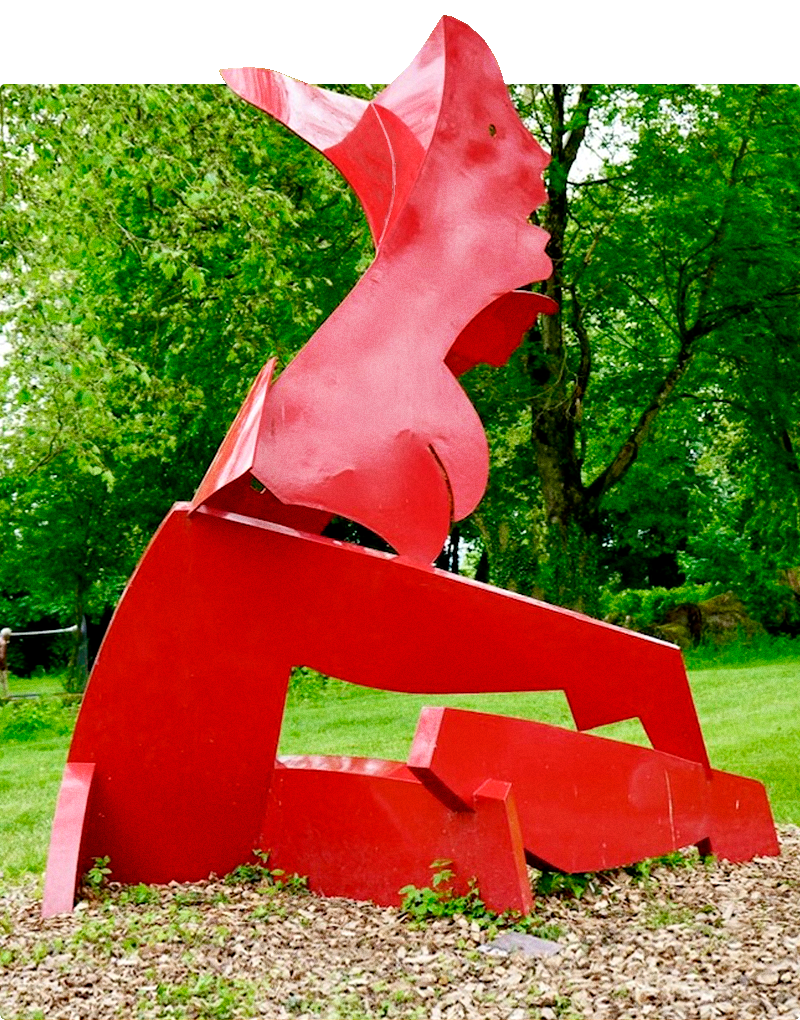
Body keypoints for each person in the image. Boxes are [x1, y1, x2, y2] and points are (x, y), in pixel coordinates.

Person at [0, 627, 11, 699]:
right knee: (3, 680)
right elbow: (2, 656)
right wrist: (3, 665)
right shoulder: (3, 643)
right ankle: (6, 695)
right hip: (0, 664)